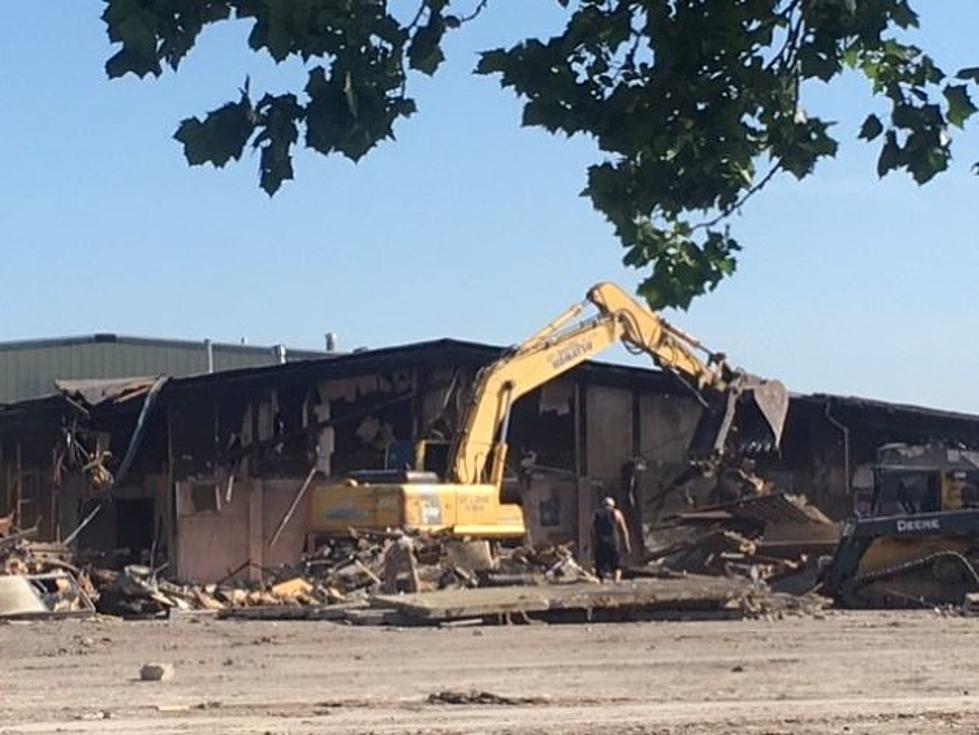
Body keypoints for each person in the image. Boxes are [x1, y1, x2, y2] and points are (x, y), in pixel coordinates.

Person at [592, 496, 631, 582]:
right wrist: (627, 545)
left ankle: (600, 584)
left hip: (600, 542)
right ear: (613, 505)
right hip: (613, 542)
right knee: (617, 565)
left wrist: (592, 544)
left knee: (600, 566)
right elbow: (624, 530)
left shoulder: (596, 514)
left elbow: (592, 530)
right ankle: (616, 583)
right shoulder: (616, 513)